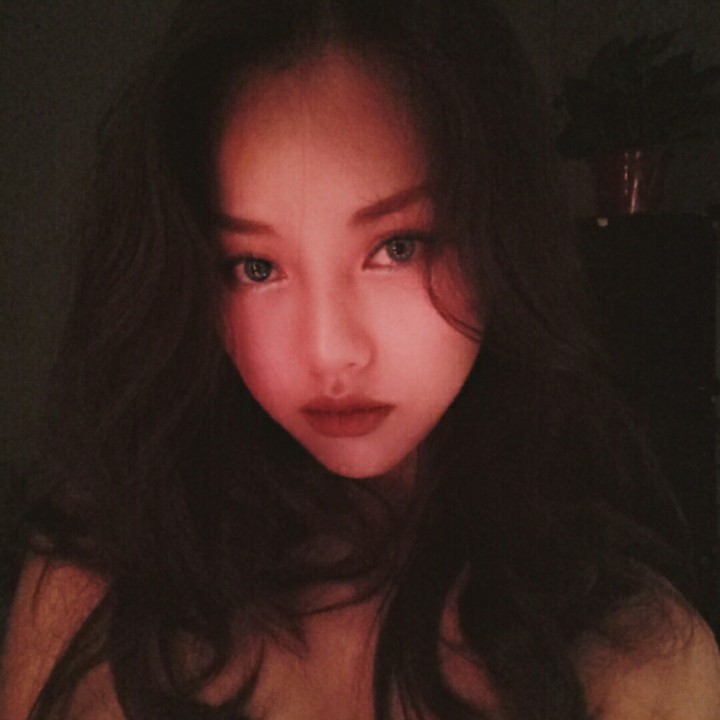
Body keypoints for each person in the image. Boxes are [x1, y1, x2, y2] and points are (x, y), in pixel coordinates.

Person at [1, 1, 719, 718]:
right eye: (255, 267)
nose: (329, 351)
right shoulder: (97, 576)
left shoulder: (633, 650)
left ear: (500, 237)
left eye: (397, 248)